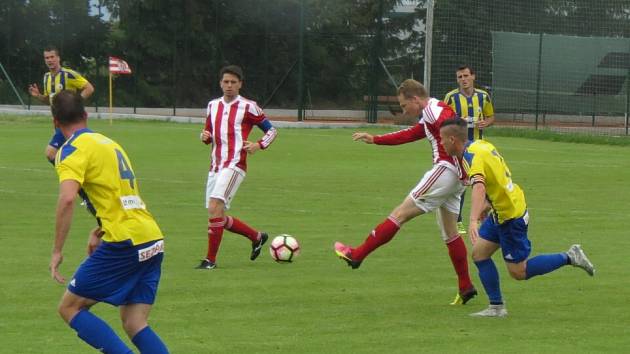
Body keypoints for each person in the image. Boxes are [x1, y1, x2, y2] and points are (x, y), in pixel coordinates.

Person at [334, 79, 477, 305]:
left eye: (403, 106)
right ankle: (465, 285)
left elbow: (457, 135)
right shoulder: (432, 112)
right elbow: (410, 134)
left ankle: (357, 254)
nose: (404, 111)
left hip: (446, 171)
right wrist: (375, 139)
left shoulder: (434, 111)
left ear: (415, 99)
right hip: (454, 177)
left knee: (400, 214)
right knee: (450, 233)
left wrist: (463, 168)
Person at [49, 90, 168, 353]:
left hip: (125, 243)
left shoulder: (69, 151)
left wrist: (57, 250)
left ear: (55, 122)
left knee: (69, 307)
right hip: (150, 236)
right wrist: (101, 229)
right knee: (134, 321)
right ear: (86, 115)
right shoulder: (108, 142)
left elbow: (68, 199)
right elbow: (120, 196)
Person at [439, 118, 595, 317]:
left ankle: (570, 257)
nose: (441, 144)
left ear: (453, 139)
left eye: (443, 139)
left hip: (510, 216)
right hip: (502, 209)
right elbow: (499, 178)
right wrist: (489, 204)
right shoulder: (480, 145)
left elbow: (479, 186)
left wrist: (472, 219)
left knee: (518, 272)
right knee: (479, 254)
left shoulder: (470, 157)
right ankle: (496, 307)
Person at [197, 65, 278, 270]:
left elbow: (272, 131)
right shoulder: (212, 105)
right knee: (216, 216)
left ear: (240, 84)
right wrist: (204, 137)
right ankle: (257, 237)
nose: (229, 86)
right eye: (226, 82)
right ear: (220, 83)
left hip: (235, 164)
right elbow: (208, 132)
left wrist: (258, 145)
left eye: (234, 82)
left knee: (215, 208)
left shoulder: (249, 106)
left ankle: (210, 261)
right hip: (215, 165)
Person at [444, 65, 495, 236]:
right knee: (462, 183)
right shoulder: (451, 98)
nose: (463, 80)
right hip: (460, 148)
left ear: (473, 76)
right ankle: (458, 220)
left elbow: (491, 116)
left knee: (483, 182)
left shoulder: (483, 96)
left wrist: (485, 123)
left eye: (466, 76)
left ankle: (485, 217)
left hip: (479, 147)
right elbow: (444, 120)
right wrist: (458, 122)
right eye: (459, 77)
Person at [28, 46, 95, 163]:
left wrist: (75, 104)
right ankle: (76, 177)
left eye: (52, 57)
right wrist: (38, 96)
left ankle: (72, 175)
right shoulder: (46, 77)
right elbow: (49, 100)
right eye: (47, 58)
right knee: (68, 154)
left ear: (58, 58)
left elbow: (89, 88)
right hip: (58, 123)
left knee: (51, 153)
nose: (49, 60)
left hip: (69, 122)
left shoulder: (68, 75)